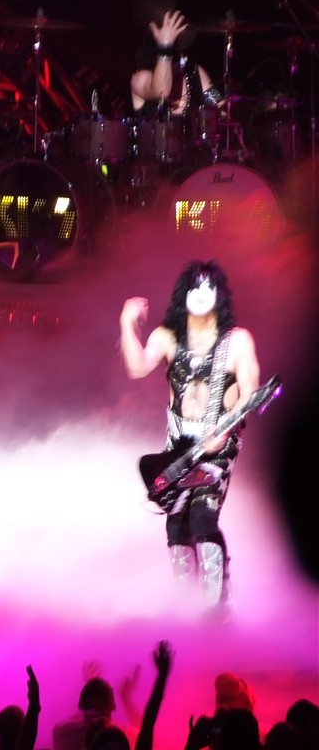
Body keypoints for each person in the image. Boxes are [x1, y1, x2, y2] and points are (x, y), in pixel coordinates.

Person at [120, 259, 260, 612]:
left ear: (219, 295)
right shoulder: (167, 336)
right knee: (177, 527)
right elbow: (137, 367)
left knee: (202, 516)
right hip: (178, 444)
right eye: (194, 287)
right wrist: (126, 322)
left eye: (208, 287)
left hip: (218, 444)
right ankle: (188, 609)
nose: (200, 293)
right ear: (183, 294)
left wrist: (225, 429)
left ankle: (218, 610)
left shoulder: (237, 340)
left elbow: (250, 392)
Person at [130, 8, 224, 160]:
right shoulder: (140, 78)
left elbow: (221, 109)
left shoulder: (194, 72)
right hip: (154, 163)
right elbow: (161, 91)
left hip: (196, 160)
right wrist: (165, 46)